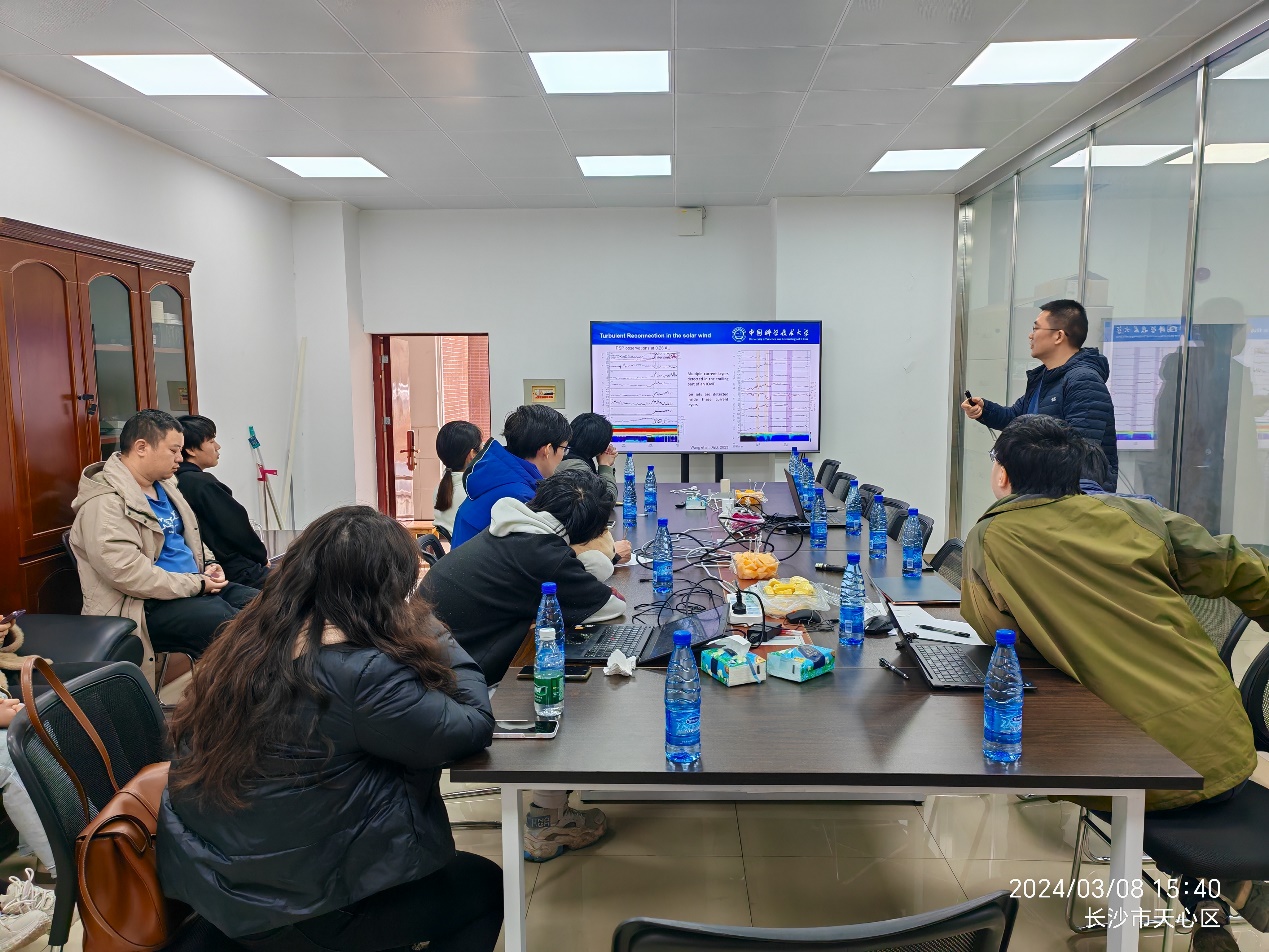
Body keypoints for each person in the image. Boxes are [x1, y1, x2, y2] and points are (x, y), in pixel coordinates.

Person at [961, 414, 1269, 952]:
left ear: (1002, 475)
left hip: (1121, 762)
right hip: (1225, 743)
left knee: (1110, 766)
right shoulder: (1134, 514)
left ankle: (1219, 895)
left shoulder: (991, 538)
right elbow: (1238, 565)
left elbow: (998, 638)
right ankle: (1215, 899)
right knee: (1172, 783)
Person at [157, 506, 501, 952]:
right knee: (485, 888)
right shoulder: (362, 674)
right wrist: (433, 632)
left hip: (222, 883)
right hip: (300, 906)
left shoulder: (246, 641)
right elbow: (472, 725)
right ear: (386, 588)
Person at [419, 468, 629, 862]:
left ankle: (551, 803)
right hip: (456, 695)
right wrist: (601, 557)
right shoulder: (542, 554)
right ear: (586, 530)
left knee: (552, 651)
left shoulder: (513, 526)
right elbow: (610, 607)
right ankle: (547, 820)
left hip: (429, 674)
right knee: (572, 686)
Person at [69, 410, 258, 672]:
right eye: (173, 451)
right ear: (142, 447)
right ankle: (237, 695)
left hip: (191, 586)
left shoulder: (166, 486)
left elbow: (190, 534)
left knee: (269, 606)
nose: (180, 458)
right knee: (242, 631)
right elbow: (129, 574)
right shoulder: (106, 505)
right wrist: (196, 584)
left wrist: (209, 563)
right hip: (145, 604)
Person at [961, 299, 1119, 490]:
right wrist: (984, 409)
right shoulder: (1044, 378)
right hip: (1045, 489)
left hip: (1070, 496)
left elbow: (1081, 453)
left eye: (1036, 329)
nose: (1030, 335)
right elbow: (1015, 419)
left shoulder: (1084, 381)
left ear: (1059, 336)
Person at [450, 405, 570, 548]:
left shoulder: (497, 473)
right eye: (564, 449)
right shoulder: (520, 498)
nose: (563, 456)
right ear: (548, 450)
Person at [175, 415, 270, 587]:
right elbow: (236, 527)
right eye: (211, 441)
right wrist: (262, 558)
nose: (217, 447)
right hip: (236, 570)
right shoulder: (203, 484)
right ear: (191, 450)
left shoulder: (172, 483)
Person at [433, 421, 484, 541]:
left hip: (460, 550)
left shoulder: (440, 489)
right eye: (482, 449)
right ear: (472, 454)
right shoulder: (471, 492)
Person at [554, 412, 619, 503]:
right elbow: (607, 500)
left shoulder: (567, 454)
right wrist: (605, 466)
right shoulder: (577, 467)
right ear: (599, 444)